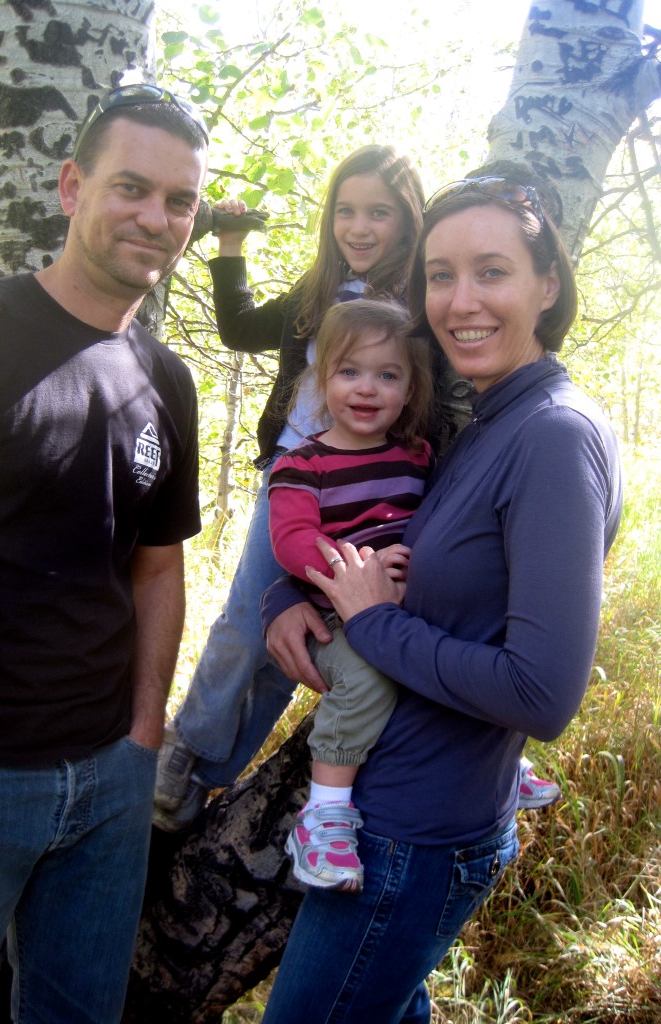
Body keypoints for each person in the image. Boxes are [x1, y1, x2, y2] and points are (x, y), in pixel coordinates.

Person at [260, 174, 623, 1023]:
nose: (461, 301)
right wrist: (290, 590)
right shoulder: (487, 422)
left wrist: (372, 623)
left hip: (415, 835)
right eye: (440, 274)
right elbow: (411, 551)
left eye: (491, 271)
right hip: (397, 815)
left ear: (547, 284)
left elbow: (542, 692)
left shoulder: (554, 436)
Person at [0, 83, 208, 1024]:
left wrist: (142, 736)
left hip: (108, 785)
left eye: (179, 201)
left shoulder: (165, 379)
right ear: (73, 187)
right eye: (130, 188)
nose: (156, 218)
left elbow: (157, 569)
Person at [153, 143, 470, 831]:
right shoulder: (318, 294)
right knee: (249, 619)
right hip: (298, 480)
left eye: (379, 213)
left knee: (295, 647)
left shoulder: (424, 306)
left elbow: (445, 403)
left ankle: (210, 772)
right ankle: (184, 752)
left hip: (379, 494)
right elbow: (239, 330)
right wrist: (230, 246)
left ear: (409, 221)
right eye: (346, 212)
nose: (359, 228)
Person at [269, 298, 434, 893]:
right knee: (369, 679)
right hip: (333, 618)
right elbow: (291, 543)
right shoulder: (301, 464)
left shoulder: (417, 458)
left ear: (411, 388)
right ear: (322, 379)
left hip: (407, 607)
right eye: (349, 372)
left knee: (454, 654)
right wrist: (361, 571)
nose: (367, 389)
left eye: (387, 375)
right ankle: (324, 816)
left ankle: (496, 761)